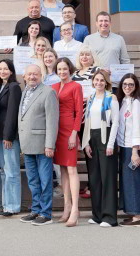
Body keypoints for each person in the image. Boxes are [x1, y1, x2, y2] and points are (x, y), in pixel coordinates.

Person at [17, 64, 59, 227]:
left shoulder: (48, 92)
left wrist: (50, 145)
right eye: (29, 74)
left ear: (40, 75)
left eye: (35, 74)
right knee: (33, 180)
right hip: (27, 144)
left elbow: (52, 121)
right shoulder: (25, 92)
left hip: (42, 146)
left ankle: (46, 213)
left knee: (45, 180)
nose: (32, 77)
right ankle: (36, 209)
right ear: (24, 77)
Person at [82, 69, 120, 227]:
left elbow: (115, 122)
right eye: (96, 80)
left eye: (102, 80)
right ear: (92, 81)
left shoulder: (111, 98)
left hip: (106, 137)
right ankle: (97, 214)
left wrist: (110, 144)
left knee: (107, 178)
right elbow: (88, 121)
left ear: (106, 82)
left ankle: (109, 216)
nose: (99, 83)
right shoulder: (90, 98)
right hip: (92, 137)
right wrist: (85, 144)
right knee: (95, 178)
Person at [50, 57, 83, 227]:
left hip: (69, 129)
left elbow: (79, 112)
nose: (62, 72)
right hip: (56, 130)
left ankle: (75, 209)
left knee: (71, 168)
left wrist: (74, 134)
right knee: (62, 169)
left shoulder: (76, 86)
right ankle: (66, 207)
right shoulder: (54, 87)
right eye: (59, 69)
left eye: (65, 69)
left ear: (70, 69)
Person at [115, 73, 140, 226]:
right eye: (125, 84)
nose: (127, 87)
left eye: (131, 84)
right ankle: (134, 213)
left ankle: (139, 216)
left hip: (132, 147)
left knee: (134, 181)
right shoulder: (123, 102)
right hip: (124, 146)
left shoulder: (136, 103)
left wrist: (135, 151)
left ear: (136, 87)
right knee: (128, 181)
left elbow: (138, 128)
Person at [71, 45, 99, 199]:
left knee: (91, 152)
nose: (85, 57)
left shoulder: (97, 71)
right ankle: (90, 184)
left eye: (87, 54)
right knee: (85, 150)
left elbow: (102, 88)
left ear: (92, 57)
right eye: (82, 55)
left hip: (92, 116)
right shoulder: (74, 74)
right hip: (79, 117)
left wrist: (90, 98)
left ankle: (92, 185)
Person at [0, 59, 21, 217]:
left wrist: (8, 136)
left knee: (12, 171)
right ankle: (6, 204)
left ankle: (13, 206)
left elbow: (12, 113)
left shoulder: (14, 87)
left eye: (6, 69)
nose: (2, 71)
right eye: (0, 69)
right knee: (5, 172)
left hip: (8, 136)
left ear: (11, 71)